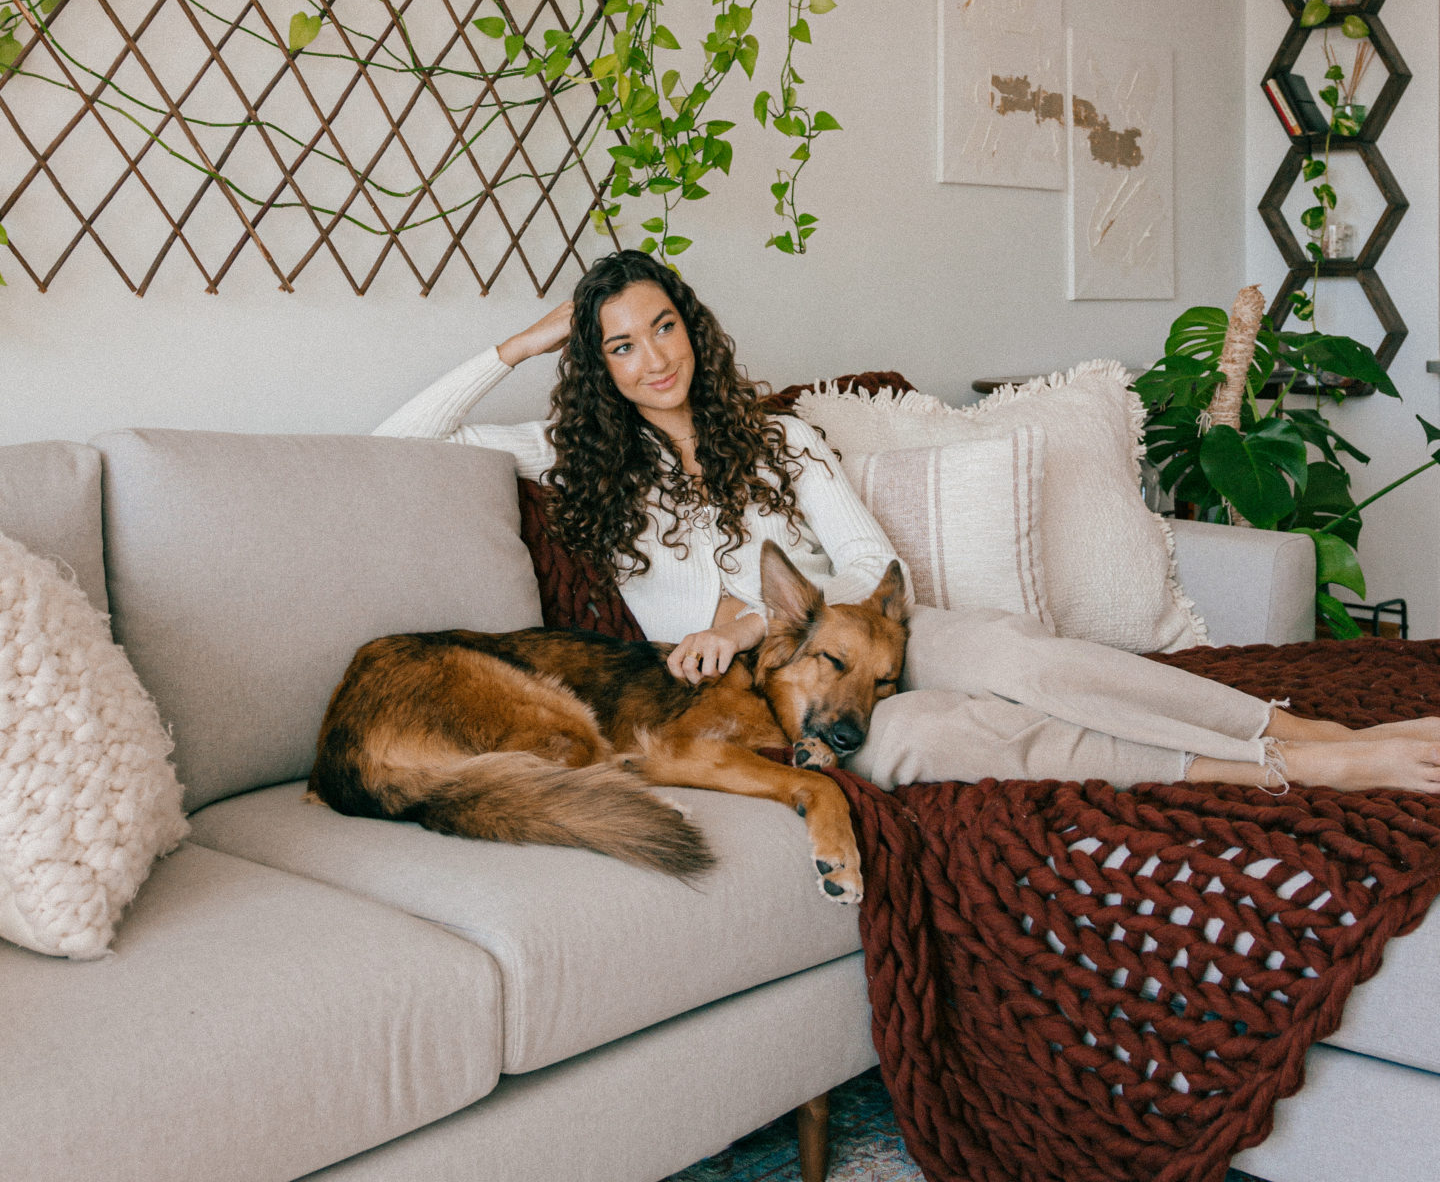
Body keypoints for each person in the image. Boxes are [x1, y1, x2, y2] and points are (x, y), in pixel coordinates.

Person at [376, 250, 1440, 797]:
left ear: (690, 327)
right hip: (778, 699)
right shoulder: (579, 467)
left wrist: (755, 614)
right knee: (941, 739)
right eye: (619, 345)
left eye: (663, 326)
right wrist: (517, 349)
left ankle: (1305, 732)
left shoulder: (778, 437)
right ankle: (1286, 771)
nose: (654, 358)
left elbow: (873, 557)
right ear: (596, 368)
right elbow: (394, 446)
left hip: (877, 639)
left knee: (1027, 657)